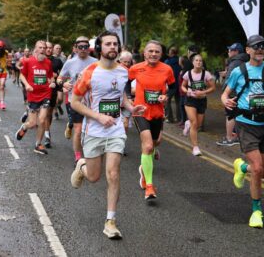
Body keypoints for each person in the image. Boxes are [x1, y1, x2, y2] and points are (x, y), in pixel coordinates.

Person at [70, 31, 145, 239]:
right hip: (93, 130)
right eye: (108, 44)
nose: (112, 47)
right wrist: (98, 116)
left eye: (115, 44)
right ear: (100, 48)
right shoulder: (89, 72)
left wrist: (131, 108)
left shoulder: (123, 72)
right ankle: (82, 166)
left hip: (116, 129)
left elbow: (121, 96)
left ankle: (110, 221)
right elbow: (75, 102)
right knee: (94, 177)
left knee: (113, 173)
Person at [221, 35, 264, 228]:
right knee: (258, 168)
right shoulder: (239, 71)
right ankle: (256, 211)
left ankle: (242, 168)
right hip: (245, 123)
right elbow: (225, 94)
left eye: (263, 46)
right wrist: (225, 101)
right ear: (248, 50)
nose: (260, 49)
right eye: (256, 46)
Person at [129, 40, 176, 200]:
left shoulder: (167, 69)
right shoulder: (136, 68)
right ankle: (149, 186)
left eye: (157, 51)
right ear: (145, 53)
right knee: (148, 146)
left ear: (161, 54)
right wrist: (129, 98)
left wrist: (166, 96)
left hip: (157, 113)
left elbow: (174, 86)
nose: (154, 54)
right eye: (151, 51)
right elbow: (125, 83)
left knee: (155, 143)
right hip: (141, 112)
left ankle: (144, 169)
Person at [57, 36, 97, 165]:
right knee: (79, 130)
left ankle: (91, 151)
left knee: (91, 130)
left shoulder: (96, 62)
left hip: (92, 101)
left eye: (86, 47)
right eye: (80, 47)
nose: (83, 49)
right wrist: (63, 85)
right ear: (75, 48)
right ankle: (78, 156)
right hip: (75, 100)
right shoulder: (70, 63)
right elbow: (59, 79)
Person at [15, 40, 55, 155]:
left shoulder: (48, 62)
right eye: (40, 47)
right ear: (35, 49)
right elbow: (22, 75)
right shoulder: (28, 61)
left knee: (42, 120)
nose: (42, 50)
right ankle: (24, 127)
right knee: (32, 123)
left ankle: (38, 144)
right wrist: (27, 85)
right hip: (33, 95)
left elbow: (51, 76)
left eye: (44, 47)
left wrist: (52, 83)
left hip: (46, 94)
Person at [181, 53, 215, 156]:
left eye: (200, 61)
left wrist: (203, 92)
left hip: (201, 100)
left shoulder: (206, 74)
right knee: (194, 123)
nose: (198, 62)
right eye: (196, 60)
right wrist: (187, 91)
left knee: (198, 125)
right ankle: (195, 147)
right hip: (190, 100)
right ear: (193, 62)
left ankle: (188, 124)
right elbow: (183, 86)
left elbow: (213, 88)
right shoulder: (188, 74)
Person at [216, 42, 248, 146]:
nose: (228, 52)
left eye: (230, 50)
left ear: (236, 52)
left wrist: (225, 93)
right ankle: (238, 137)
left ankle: (229, 139)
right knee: (239, 114)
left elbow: (230, 80)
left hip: (233, 94)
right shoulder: (245, 60)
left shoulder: (234, 62)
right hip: (242, 93)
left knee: (230, 115)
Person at [43, 41, 63, 148]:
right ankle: (46, 134)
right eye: (47, 48)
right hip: (41, 89)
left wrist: (57, 75)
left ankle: (47, 133)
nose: (49, 49)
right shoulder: (40, 60)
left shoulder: (57, 61)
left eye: (51, 48)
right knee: (42, 114)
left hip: (53, 89)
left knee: (48, 114)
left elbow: (63, 75)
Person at [164, 46, 181, 123]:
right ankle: (179, 118)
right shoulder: (180, 60)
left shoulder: (167, 62)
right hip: (179, 84)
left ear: (171, 52)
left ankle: (169, 118)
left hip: (171, 84)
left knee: (167, 100)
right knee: (178, 101)